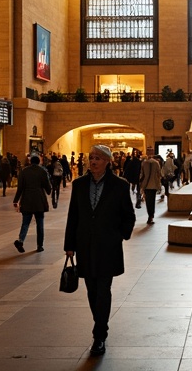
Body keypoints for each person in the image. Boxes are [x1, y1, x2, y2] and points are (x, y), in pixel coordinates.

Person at [65, 144, 136, 356]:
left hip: (108, 247)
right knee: (91, 290)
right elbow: (73, 216)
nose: (93, 161)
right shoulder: (79, 184)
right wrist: (69, 245)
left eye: (97, 158)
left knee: (103, 290)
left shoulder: (119, 185)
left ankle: (99, 334)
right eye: (91, 157)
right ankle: (100, 324)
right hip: (85, 246)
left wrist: (119, 236)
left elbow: (129, 216)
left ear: (107, 161)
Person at [13, 154, 53, 252]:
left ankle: (21, 240)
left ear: (30, 162)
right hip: (39, 201)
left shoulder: (24, 172)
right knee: (40, 224)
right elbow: (48, 189)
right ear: (39, 162)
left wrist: (16, 200)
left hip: (26, 200)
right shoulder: (43, 171)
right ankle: (40, 245)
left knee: (25, 223)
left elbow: (20, 188)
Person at [138, 151, 162, 224]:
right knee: (152, 200)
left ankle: (149, 215)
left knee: (148, 201)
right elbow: (159, 174)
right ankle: (151, 216)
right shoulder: (156, 163)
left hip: (146, 185)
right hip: (154, 184)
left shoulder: (144, 163)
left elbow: (142, 174)